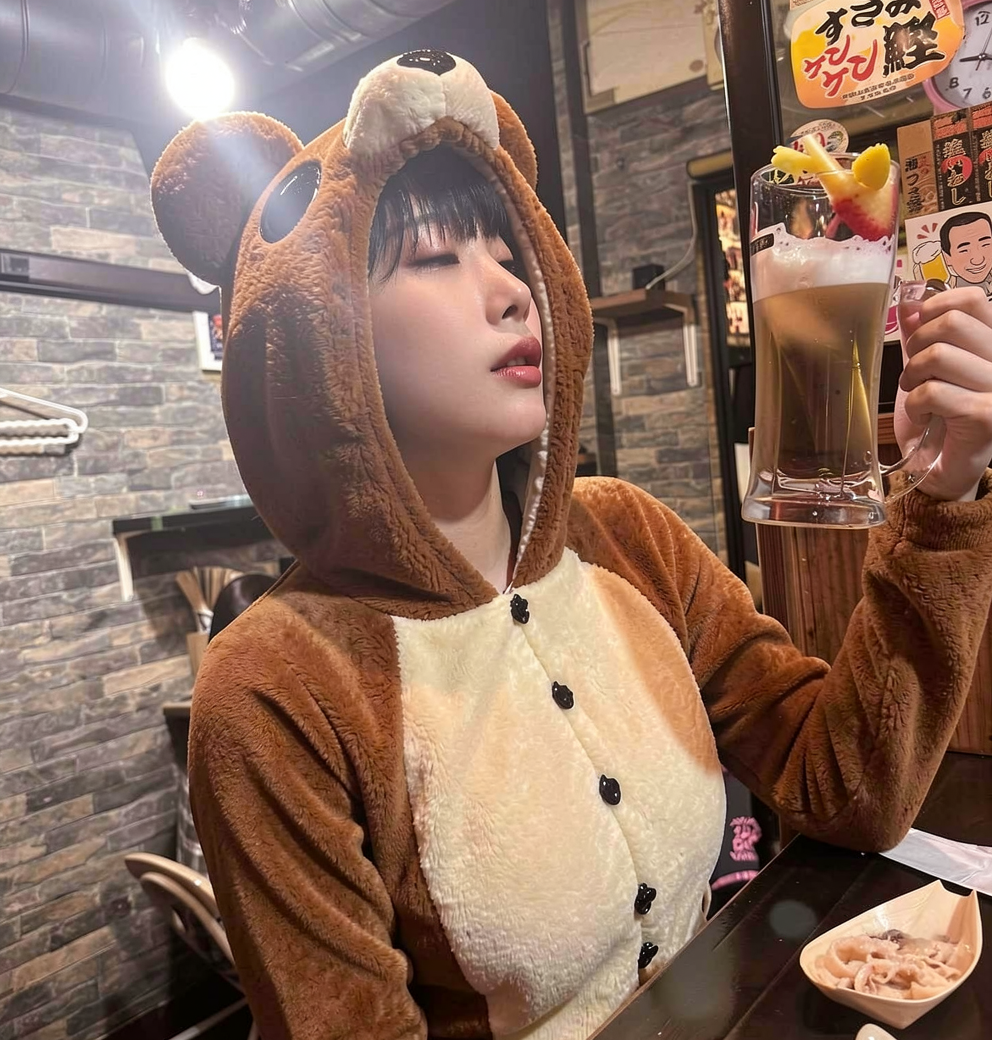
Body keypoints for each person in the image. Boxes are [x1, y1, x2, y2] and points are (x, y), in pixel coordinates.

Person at [150, 51, 992, 1040]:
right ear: (318, 332)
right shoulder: (273, 687)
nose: (511, 291)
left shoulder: (625, 533)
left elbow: (844, 789)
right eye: (435, 258)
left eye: (509, 252)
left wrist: (944, 492)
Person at [940, 210, 992, 294]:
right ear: (947, 258)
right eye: (964, 250)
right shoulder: (946, 296)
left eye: (985, 245)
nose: (978, 260)